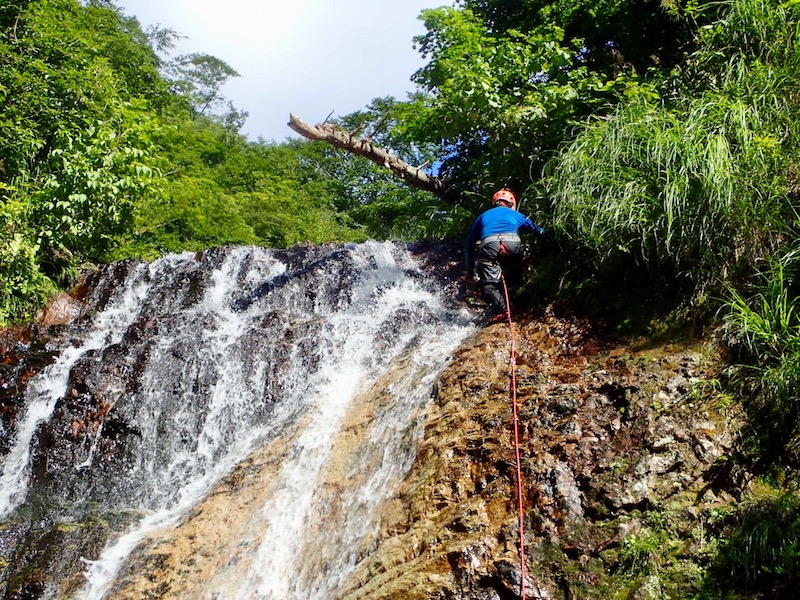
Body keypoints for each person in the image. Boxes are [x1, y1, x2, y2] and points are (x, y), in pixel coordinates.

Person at [464, 188, 544, 322]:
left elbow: (469, 244)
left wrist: (470, 270)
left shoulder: (483, 216)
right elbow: (538, 231)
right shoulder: (517, 215)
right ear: (511, 204)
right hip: (513, 244)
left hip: (490, 245)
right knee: (515, 272)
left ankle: (503, 308)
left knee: (488, 285)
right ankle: (520, 298)